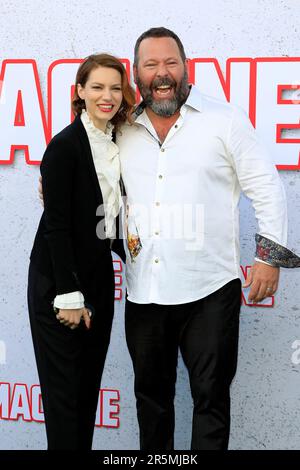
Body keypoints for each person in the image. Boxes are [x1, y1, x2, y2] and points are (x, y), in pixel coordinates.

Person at [116, 27, 300, 450]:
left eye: (171, 63)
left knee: (211, 402)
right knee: (152, 404)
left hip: (209, 293)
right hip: (144, 293)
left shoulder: (224, 120)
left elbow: (266, 186)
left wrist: (269, 257)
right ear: (136, 74)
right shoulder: (121, 129)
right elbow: (91, 174)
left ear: (186, 67)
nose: (162, 73)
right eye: (151, 65)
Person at [28, 53, 135, 450]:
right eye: (96, 87)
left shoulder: (118, 141)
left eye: (114, 88)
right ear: (79, 92)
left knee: (86, 394)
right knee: (65, 402)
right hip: (59, 283)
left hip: (98, 278)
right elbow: (57, 227)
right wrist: (69, 297)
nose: (106, 96)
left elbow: (108, 220)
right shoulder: (65, 147)